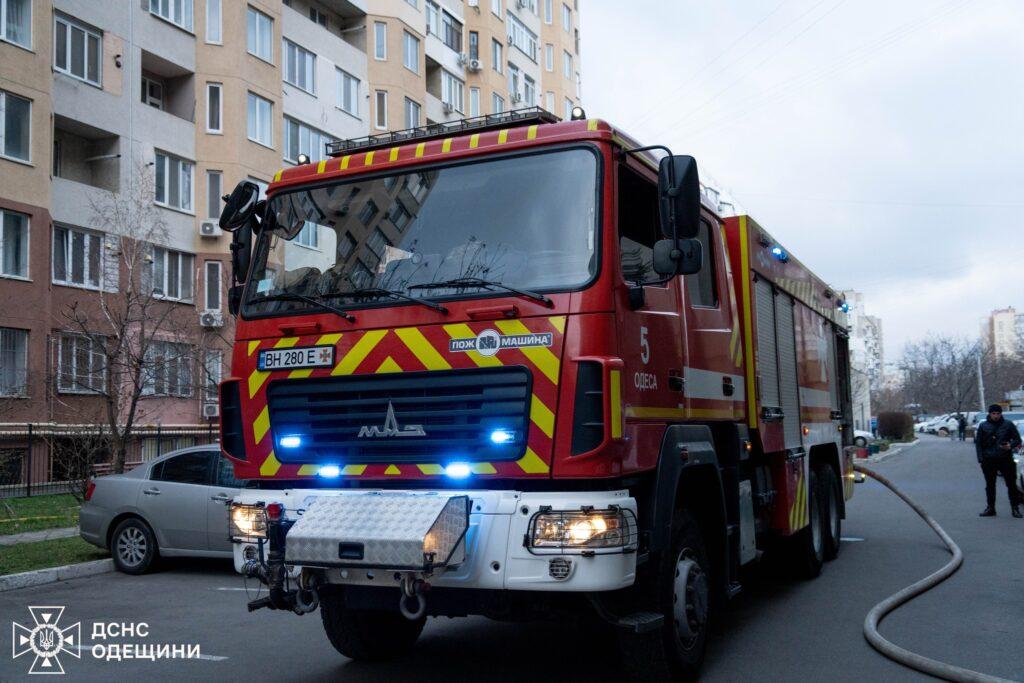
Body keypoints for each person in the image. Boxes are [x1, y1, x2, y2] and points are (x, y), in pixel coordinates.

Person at [975, 404, 1022, 518]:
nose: (995, 416)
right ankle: (991, 508)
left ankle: (1015, 508)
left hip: (1005, 459)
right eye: (993, 413)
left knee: (1011, 484)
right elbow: (979, 444)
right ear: (990, 414)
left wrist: (1010, 445)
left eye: (998, 413)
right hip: (989, 459)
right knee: (990, 485)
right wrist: (981, 459)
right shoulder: (983, 426)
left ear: (1001, 414)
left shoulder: (1008, 425)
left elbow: (1017, 439)